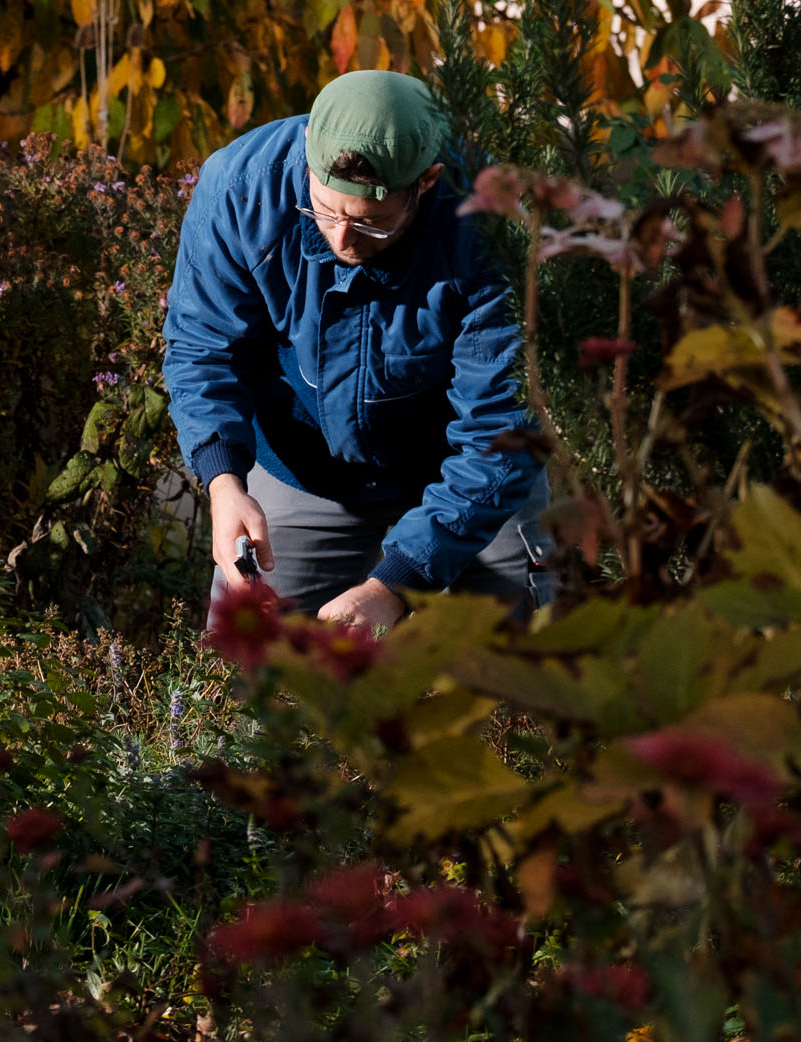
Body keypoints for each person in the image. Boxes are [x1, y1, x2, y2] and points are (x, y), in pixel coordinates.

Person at [162, 68, 549, 628]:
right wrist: (224, 483)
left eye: (371, 224)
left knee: (529, 682)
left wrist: (396, 584)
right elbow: (204, 347)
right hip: (303, 468)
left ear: (426, 181)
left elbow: (500, 429)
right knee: (241, 682)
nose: (341, 239)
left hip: (468, 476)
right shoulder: (240, 186)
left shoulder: (493, 225)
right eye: (323, 211)